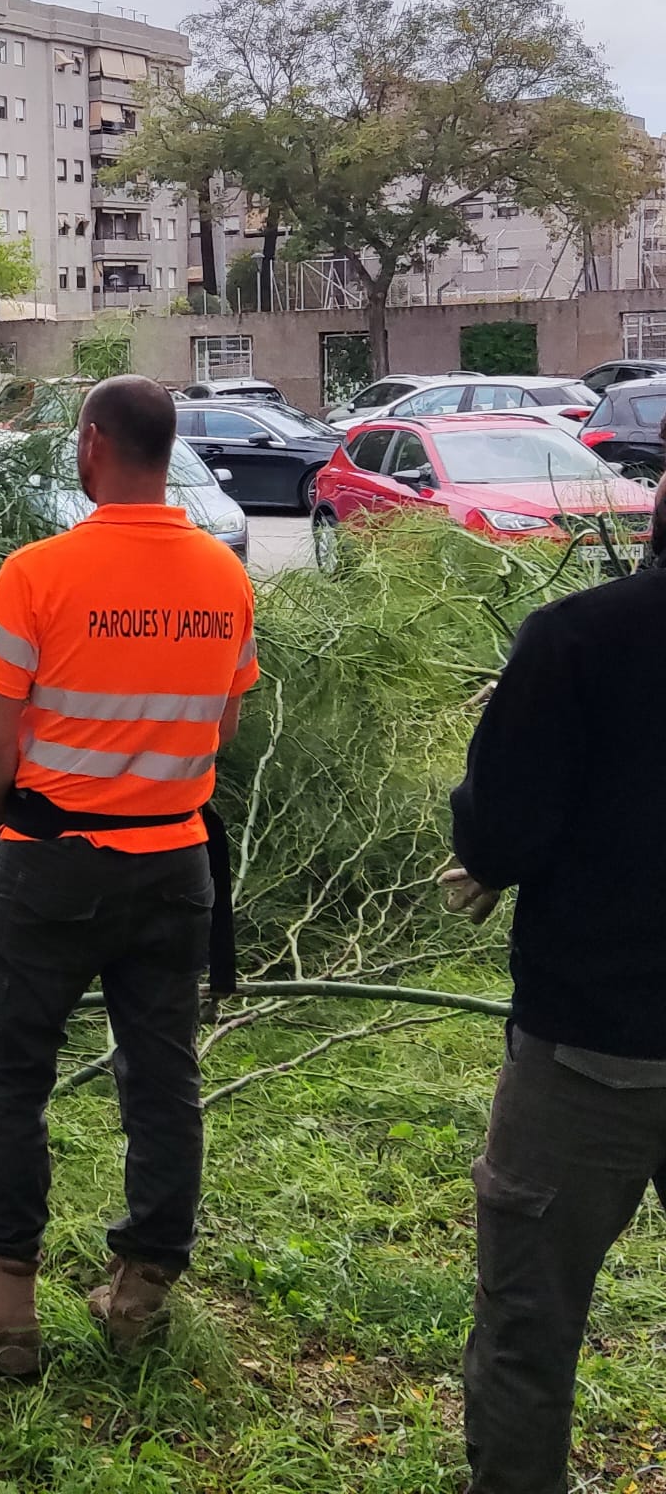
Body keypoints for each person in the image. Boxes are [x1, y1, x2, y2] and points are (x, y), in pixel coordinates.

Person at [0, 374, 257, 1373]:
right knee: (162, 1080)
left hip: (49, 864)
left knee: (10, 1077)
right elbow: (221, 725)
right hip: (174, 863)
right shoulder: (223, 576)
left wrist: (1, 814)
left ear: (93, 443)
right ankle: (139, 1297)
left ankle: (4, 1306)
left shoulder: (36, 571)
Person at [449, 476, 666, 1494]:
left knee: (529, 1328)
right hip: (592, 1039)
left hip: (588, 1055)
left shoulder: (577, 640)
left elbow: (498, 834)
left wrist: (499, 738)